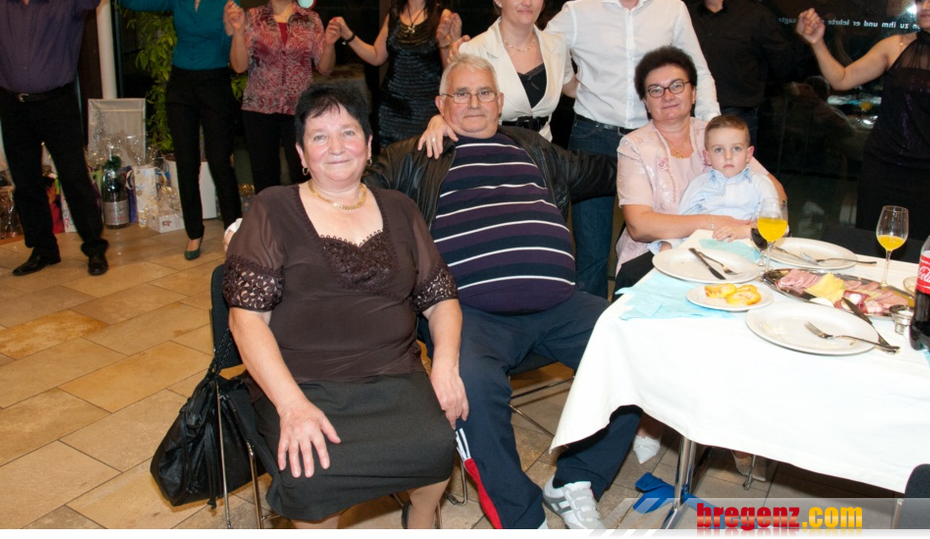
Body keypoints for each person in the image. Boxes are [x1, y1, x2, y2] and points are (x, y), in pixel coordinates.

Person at [366, 54, 639, 530]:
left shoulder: (532, 147)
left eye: (484, 93)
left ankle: (576, 482)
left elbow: (611, 170)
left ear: (500, 101)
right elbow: (351, 189)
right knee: (469, 387)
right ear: (441, 104)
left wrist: (673, 149)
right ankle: (522, 519)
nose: (474, 103)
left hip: (561, 304)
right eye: (461, 94)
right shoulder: (414, 155)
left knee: (636, 353)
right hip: (469, 315)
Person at [223, 83, 466, 529]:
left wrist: (446, 367)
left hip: (395, 375)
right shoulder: (273, 208)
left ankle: (421, 515)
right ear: (301, 153)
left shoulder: (400, 208)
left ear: (369, 145)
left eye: (348, 133)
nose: (336, 147)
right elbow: (246, 321)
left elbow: (441, 298)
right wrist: (291, 406)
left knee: (435, 443)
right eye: (319, 136)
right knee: (312, 474)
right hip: (301, 382)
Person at [613, 46, 783, 475]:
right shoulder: (634, 145)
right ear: (645, 100)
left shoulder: (718, 132)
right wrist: (715, 222)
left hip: (727, 253)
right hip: (654, 254)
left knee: (753, 320)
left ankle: (732, 424)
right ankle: (651, 417)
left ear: (693, 91)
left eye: (677, 85)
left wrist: (745, 226)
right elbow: (640, 225)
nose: (668, 95)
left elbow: (775, 196)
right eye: (655, 90)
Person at [546, 0, 720, 298]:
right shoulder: (577, 12)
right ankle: (593, 328)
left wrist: (711, 132)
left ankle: (644, 316)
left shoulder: (672, 10)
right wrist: (569, 84)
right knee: (591, 251)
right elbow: (539, 49)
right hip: (593, 139)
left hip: (656, 141)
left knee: (660, 242)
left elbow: (698, 71)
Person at [796, 0, 930, 239]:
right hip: (882, 168)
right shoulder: (894, 46)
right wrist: (817, 42)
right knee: (871, 244)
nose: (925, 6)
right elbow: (841, 79)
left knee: (922, 249)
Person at [0, 0, 125, 277]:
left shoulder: (67, 0)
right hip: (13, 106)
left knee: (74, 177)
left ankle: (94, 248)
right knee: (26, 182)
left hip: (57, 104)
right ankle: (43, 250)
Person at [109, 0, 242, 260]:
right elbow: (131, 0)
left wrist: (230, 30)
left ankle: (235, 231)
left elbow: (232, 55)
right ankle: (194, 233)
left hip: (215, 82)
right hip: (181, 84)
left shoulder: (227, 0)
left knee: (220, 161)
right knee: (186, 161)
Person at [418, 0, 575, 155]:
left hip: (544, 156)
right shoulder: (474, 50)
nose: (527, 1)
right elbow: (454, 103)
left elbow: (574, 89)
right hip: (492, 154)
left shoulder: (557, 45)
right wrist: (437, 120)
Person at [224, 0, 338, 192]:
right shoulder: (252, 18)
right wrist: (237, 32)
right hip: (259, 108)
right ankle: (269, 216)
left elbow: (325, 68)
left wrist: (329, 44)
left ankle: (303, 216)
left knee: (303, 174)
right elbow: (239, 66)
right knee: (265, 177)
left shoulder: (310, 19)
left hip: (300, 109)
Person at [329, 0, 454, 149]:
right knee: (389, 163)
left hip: (427, 110)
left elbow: (452, 70)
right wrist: (348, 35)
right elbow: (377, 56)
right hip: (391, 108)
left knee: (424, 162)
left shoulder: (442, 15)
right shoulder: (394, 14)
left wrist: (444, 42)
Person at [691, 0, 809, 144]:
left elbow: (787, 69)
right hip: (689, 117)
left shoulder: (756, 17)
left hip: (737, 119)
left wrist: (802, 38)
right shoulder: (686, 15)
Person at [675, 114, 779, 241]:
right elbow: (683, 224)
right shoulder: (698, 185)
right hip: (704, 246)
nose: (728, 156)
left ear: (748, 154)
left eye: (736, 148)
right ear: (707, 157)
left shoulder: (761, 185)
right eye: (719, 150)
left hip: (746, 246)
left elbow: (775, 225)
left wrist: (745, 231)